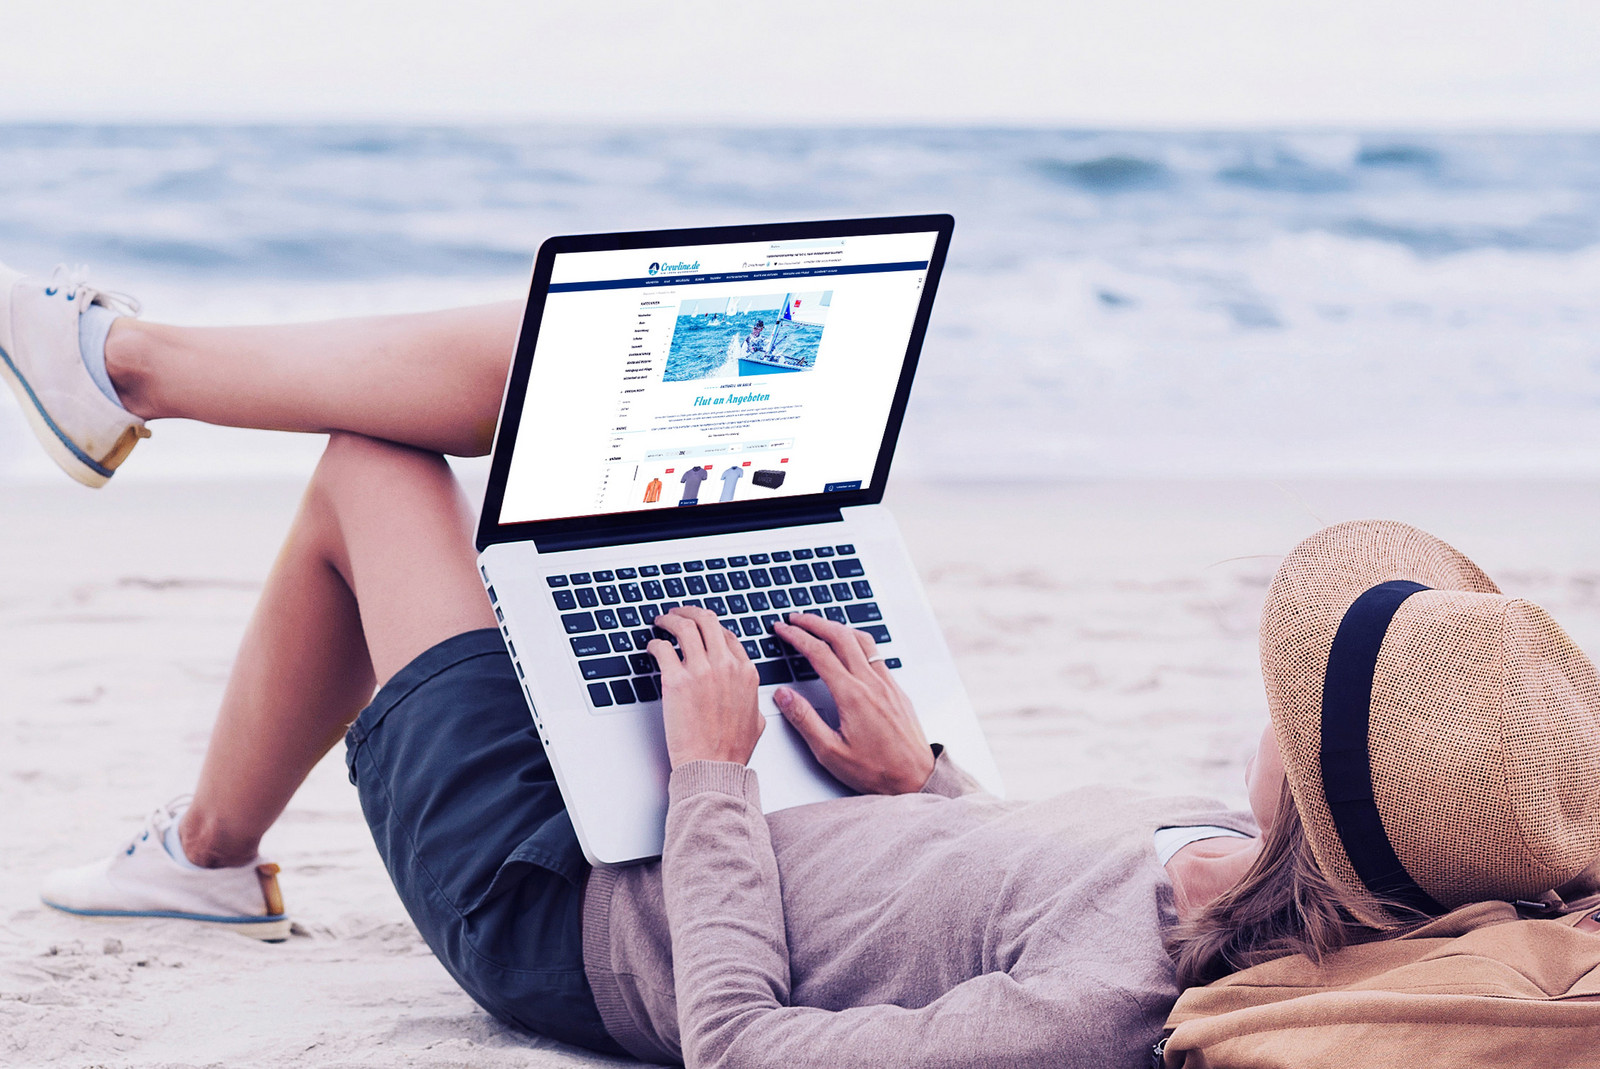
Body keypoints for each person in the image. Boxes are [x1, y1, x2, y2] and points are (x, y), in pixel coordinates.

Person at [6, 261, 1600, 1068]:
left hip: (564, 893)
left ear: (1316, 798)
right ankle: (205, 830)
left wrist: (707, 773)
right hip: (765, 804)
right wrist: (926, 779)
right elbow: (990, 878)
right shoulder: (1229, 865)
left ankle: (207, 826)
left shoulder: (1105, 1012)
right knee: (533, 368)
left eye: (1297, 703)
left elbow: (743, 1043)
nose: (1266, 701)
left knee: (380, 459)